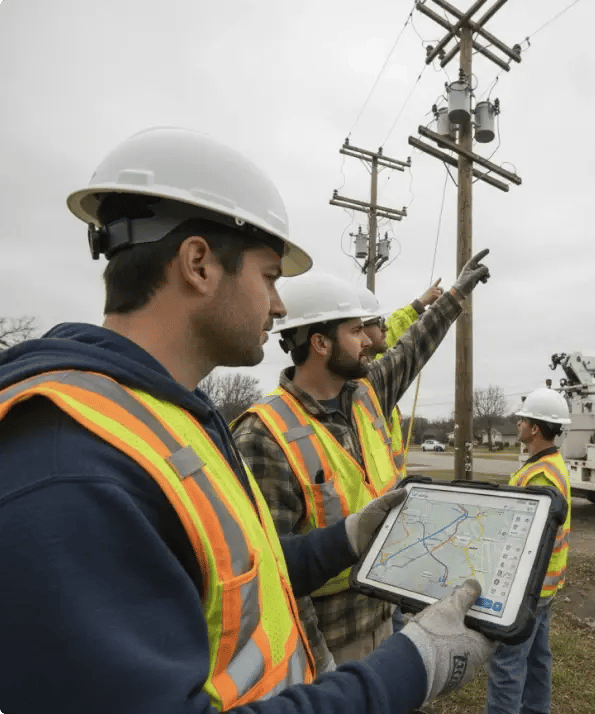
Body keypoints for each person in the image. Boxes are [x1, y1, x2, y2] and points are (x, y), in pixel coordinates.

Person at [0, 127, 492, 714]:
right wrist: (411, 668)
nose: (280, 305)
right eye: (270, 277)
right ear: (199, 263)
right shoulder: (71, 469)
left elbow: (244, 568)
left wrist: (350, 536)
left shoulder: (174, 420)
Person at [231, 255, 489, 666]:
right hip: (329, 643)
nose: (368, 340)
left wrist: (456, 294)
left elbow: (414, 345)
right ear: (320, 343)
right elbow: (271, 570)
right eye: (355, 331)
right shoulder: (262, 435)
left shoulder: (367, 393)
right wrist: (317, 661)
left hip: (386, 614)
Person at [485, 388, 573, 714]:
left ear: (535, 428)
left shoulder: (541, 476)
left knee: (507, 665)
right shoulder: (548, 465)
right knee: (537, 658)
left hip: (529, 588)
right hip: (545, 586)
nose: (517, 422)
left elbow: (528, 539)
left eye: (522, 418)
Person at [355, 278, 444, 479]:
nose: (385, 328)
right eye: (379, 322)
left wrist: (419, 304)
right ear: (357, 329)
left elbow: (396, 329)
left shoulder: (375, 366)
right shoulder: (365, 381)